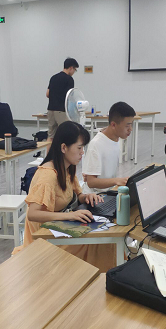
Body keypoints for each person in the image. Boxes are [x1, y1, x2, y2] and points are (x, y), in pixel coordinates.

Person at [12, 121, 118, 272]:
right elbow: (33, 214)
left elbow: (77, 195)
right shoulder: (48, 175)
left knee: (104, 240)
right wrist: (70, 216)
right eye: (79, 148)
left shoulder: (67, 167)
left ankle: (103, 278)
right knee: (99, 243)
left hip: (58, 228)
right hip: (46, 237)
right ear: (63, 148)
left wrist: (86, 197)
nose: (82, 153)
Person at [82, 101, 136, 193]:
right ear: (113, 125)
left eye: (131, 125)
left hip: (109, 191)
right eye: (127, 126)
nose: (130, 129)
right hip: (95, 195)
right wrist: (116, 181)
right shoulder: (96, 144)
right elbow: (91, 182)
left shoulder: (116, 139)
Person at [46, 58, 79, 140]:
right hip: (62, 110)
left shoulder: (53, 77)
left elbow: (47, 94)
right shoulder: (69, 79)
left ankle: (48, 149)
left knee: (51, 135)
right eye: (75, 70)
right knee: (65, 135)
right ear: (71, 68)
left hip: (50, 109)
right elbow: (70, 97)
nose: (74, 72)